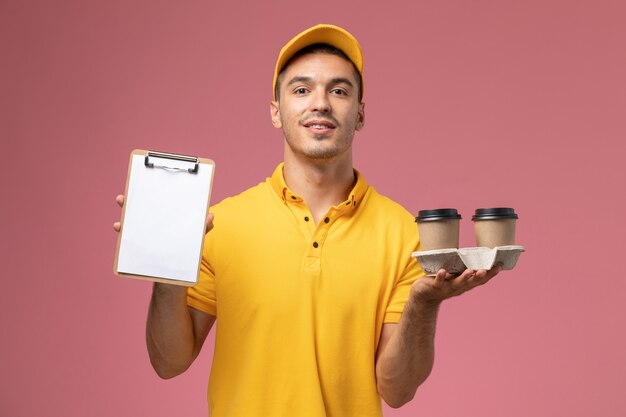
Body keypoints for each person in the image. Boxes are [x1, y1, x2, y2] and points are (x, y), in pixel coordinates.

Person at [114, 24, 501, 417]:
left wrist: (425, 302)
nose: (320, 103)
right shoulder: (221, 223)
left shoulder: (402, 232)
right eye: (301, 90)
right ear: (276, 112)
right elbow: (169, 363)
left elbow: (397, 390)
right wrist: (167, 266)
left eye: (339, 90)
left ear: (361, 113)